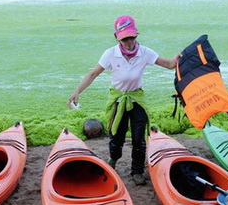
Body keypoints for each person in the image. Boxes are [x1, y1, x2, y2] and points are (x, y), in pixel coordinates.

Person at [68, 15, 177, 185]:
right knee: (116, 136)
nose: (129, 42)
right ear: (117, 37)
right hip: (118, 100)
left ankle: (137, 171)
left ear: (136, 35)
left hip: (136, 99)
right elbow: (92, 74)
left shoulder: (145, 53)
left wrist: (185, 56)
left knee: (139, 139)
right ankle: (113, 159)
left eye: (132, 37)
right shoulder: (110, 54)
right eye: (125, 38)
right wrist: (77, 92)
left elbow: (170, 64)